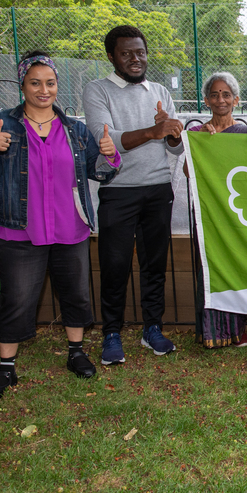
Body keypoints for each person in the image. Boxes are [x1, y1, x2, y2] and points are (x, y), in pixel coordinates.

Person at [0, 51, 120, 401]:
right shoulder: (1, 124)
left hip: (70, 227)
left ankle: (76, 352)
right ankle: (6, 369)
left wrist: (110, 155)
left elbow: (100, 170)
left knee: (75, 293)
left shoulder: (75, 129)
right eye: (35, 83)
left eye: (50, 83)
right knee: (16, 299)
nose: (43, 90)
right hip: (20, 230)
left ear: (57, 86)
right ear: (23, 85)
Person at [83, 25, 184, 366]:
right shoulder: (97, 91)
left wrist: (171, 133)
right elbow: (106, 139)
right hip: (118, 191)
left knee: (154, 265)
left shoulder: (158, 91)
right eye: (126, 53)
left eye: (140, 52)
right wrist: (155, 130)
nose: (135, 59)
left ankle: (151, 328)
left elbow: (174, 148)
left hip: (157, 189)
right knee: (115, 265)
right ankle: (111, 333)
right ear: (111, 56)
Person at [188, 72, 247, 348]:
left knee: (235, 266)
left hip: (235, 215)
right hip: (207, 213)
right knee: (209, 268)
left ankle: (237, 330)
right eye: (215, 94)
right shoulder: (197, 134)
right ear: (207, 100)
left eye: (226, 94)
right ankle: (210, 332)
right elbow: (188, 171)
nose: (221, 99)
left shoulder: (244, 134)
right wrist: (203, 147)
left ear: (236, 100)